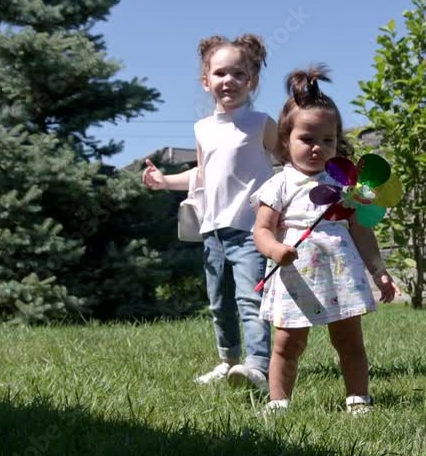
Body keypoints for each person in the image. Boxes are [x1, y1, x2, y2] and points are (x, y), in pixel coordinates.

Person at [251, 65, 399, 415]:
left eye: (327, 140)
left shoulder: (344, 186)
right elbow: (261, 230)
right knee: (287, 344)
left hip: (340, 273)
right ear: (285, 141)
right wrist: (275, 249)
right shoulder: (279, 184)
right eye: (307, 139)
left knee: (350, 342)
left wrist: (378, 270)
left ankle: (358, 398)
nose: (318, 148)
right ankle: (279, 402)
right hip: (295, 275)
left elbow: (362, 230)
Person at [142, 34, 275, 391]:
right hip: (213, 230)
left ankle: (259, 367)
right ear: (206, 81)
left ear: (253, 81)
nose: (228, 80)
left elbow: (289, 159)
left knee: (250, 299)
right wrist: (163, 180)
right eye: (219, 73)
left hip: (251, 229)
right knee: (220, 302)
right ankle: (229, 362)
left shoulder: (261, 123)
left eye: (238, 74)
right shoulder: (203, 129)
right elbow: (202, 174)